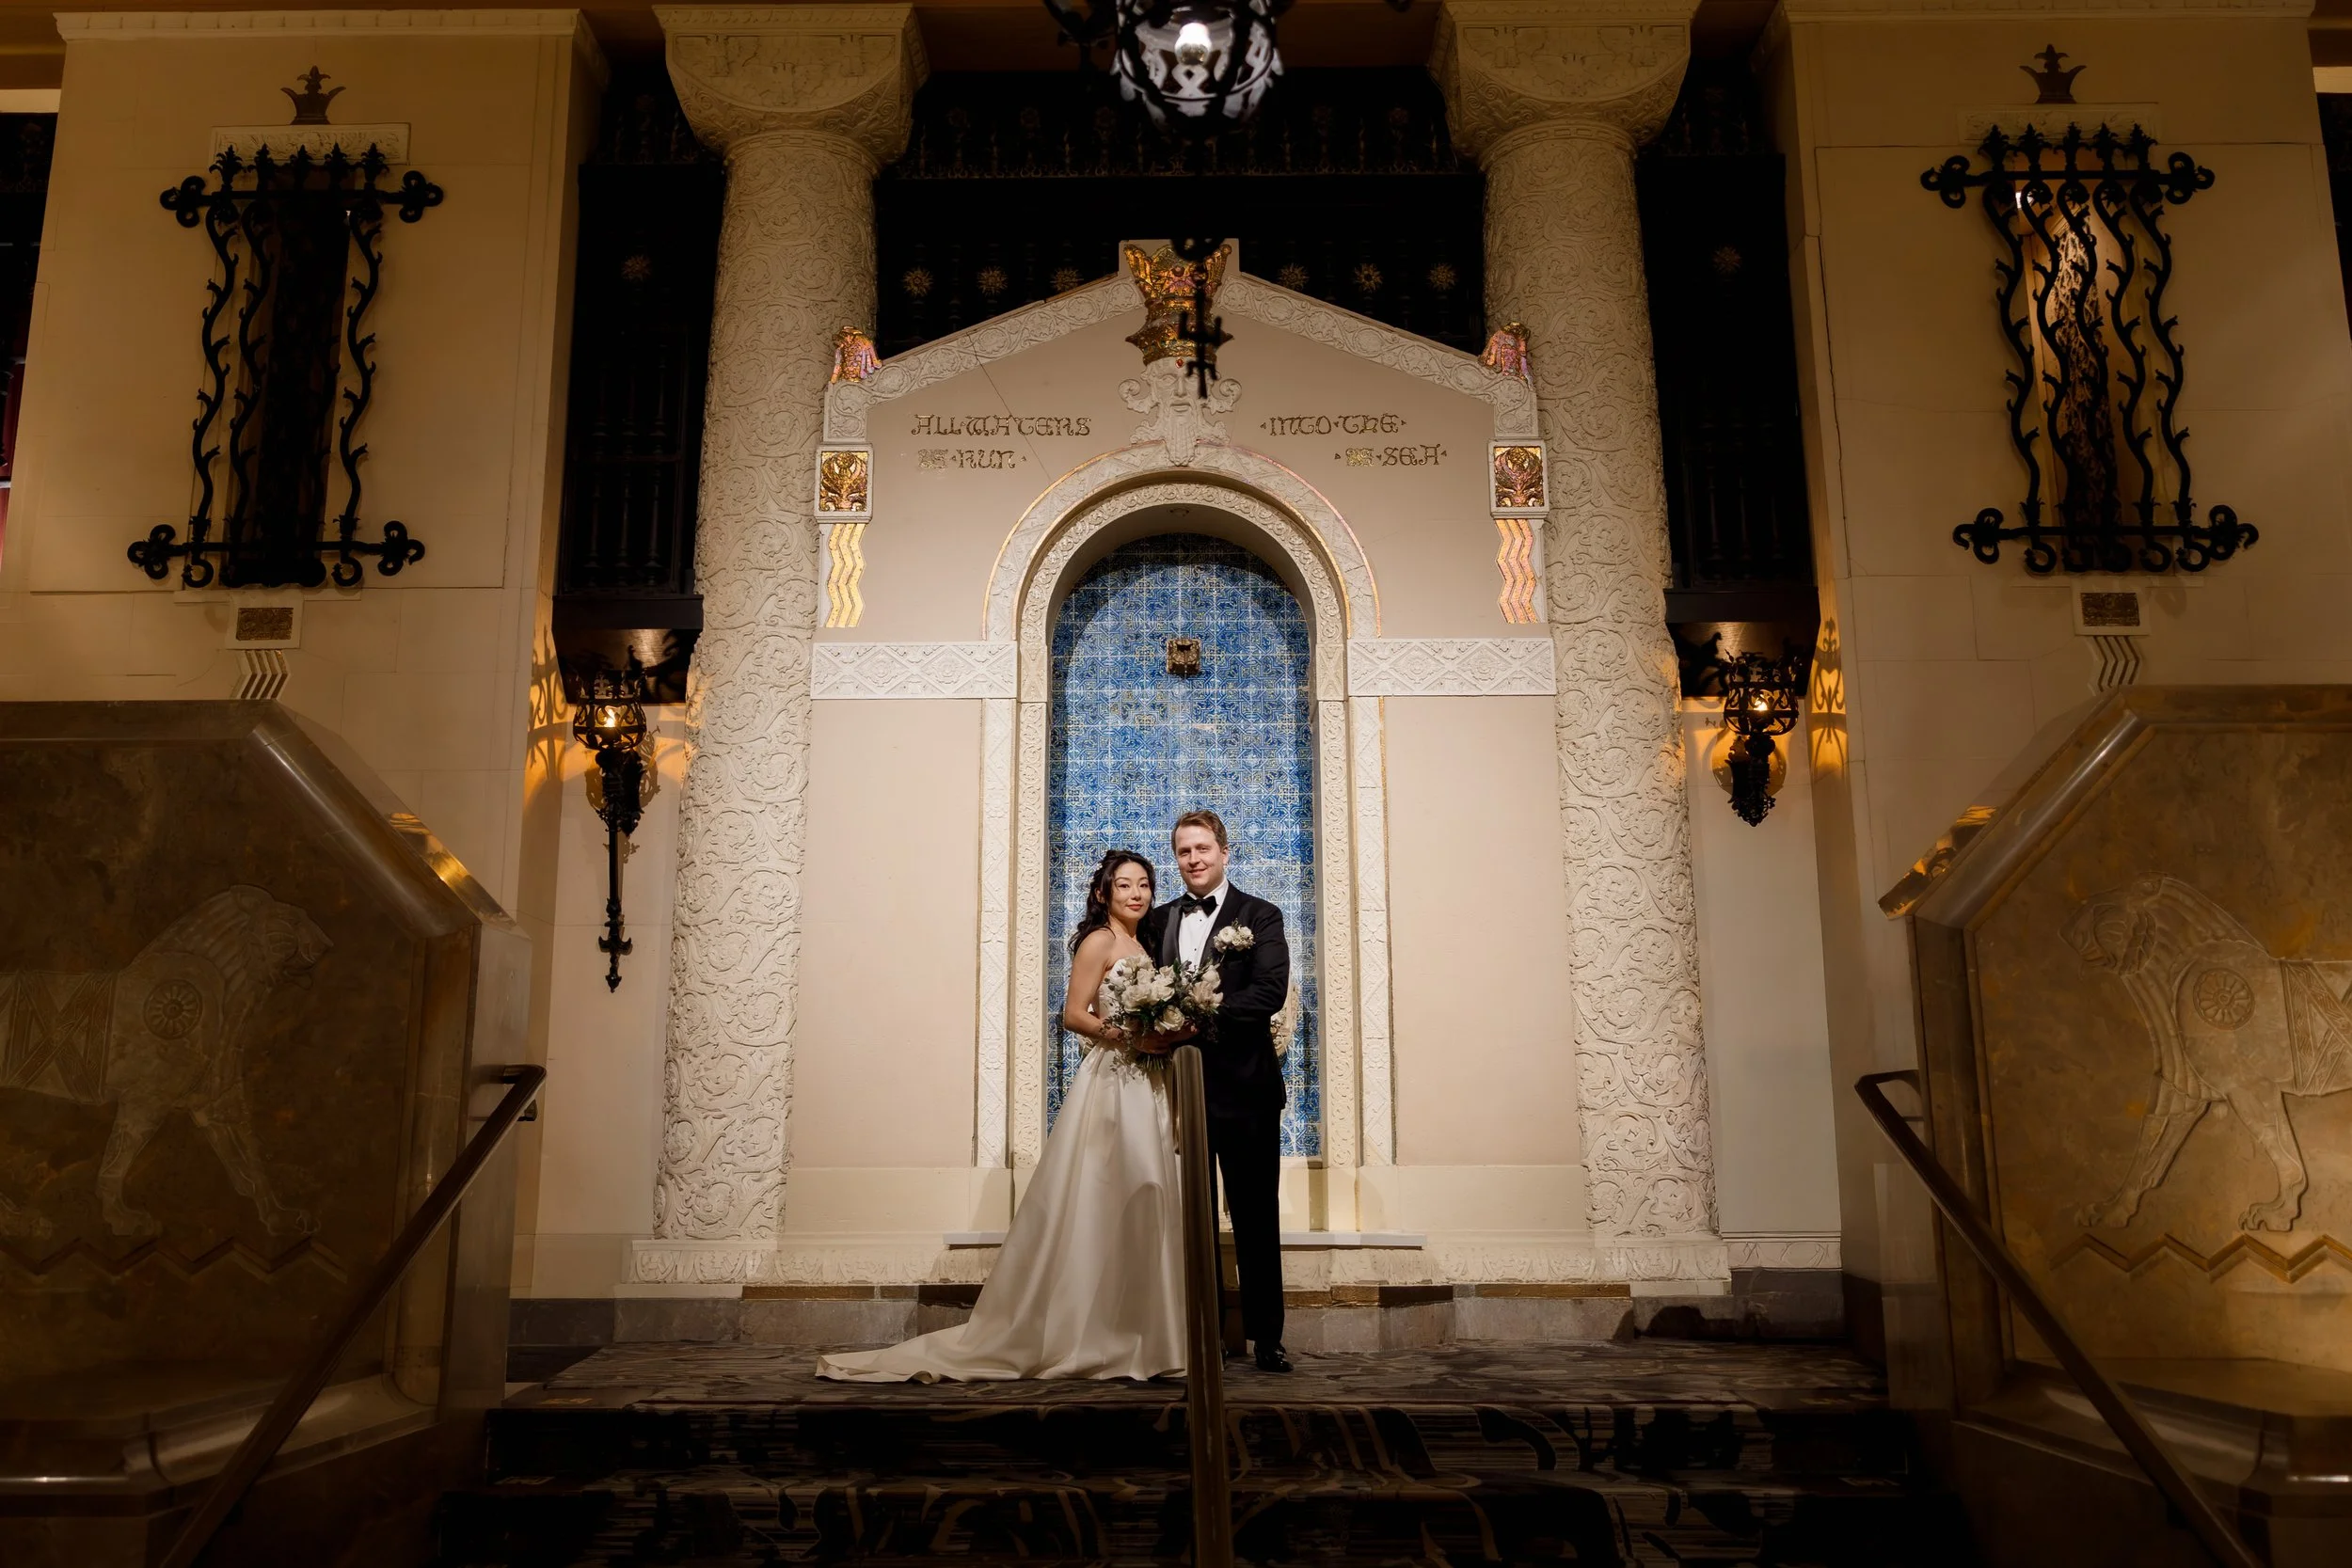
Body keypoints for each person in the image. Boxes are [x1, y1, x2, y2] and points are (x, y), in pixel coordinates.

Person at [817, 850, 1185, 1382]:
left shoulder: (1143, 945)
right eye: (1123, 884)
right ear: (1103, 893)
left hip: (1147, 1080)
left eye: (1144, 884)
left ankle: (1141, 1334)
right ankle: (1091, 1333)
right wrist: (1127, 1034)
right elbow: (1073, 1013)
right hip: (1113, 1080)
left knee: (1143, 1193)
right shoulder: (1099, 942)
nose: (1136, 893)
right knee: (1110, 1190)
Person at [1136, 809, 1294, 1373]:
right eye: (1183, 852)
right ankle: (1194, 1333)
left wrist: (1196, 1021)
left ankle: (1267, 1339)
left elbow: (1269, 993)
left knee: (1255, 1217)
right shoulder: (1156, 922)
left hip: (1248, 1091)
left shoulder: (1261, 915)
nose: (1194, 859)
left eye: (1203, 848)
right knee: (1188, 1220)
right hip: (1177, 1091)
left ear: (1225, 852)